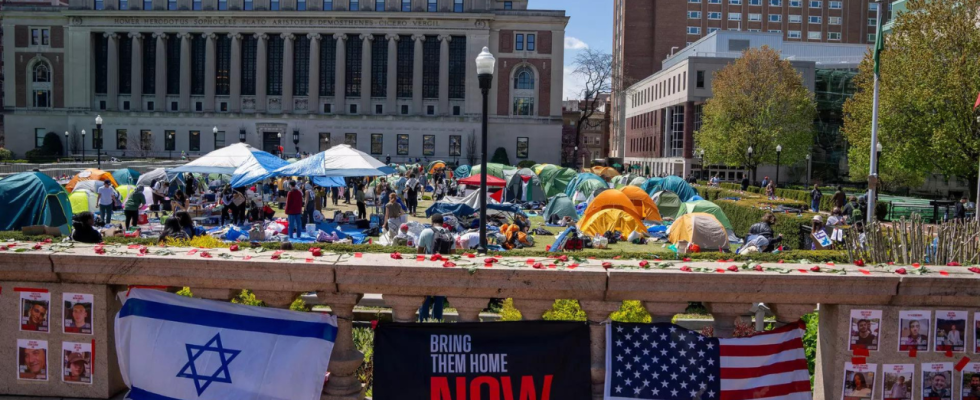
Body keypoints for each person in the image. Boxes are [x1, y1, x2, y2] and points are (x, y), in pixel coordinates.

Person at [417, 213, 453, 322]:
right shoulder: (448, 233)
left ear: (432, 222)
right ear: (442, 223)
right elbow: (453, 254)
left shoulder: (426, 232)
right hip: (443, 270)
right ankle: (437, 321)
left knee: (425, 296)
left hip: (428, 269)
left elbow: (419, 253)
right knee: (439, 297)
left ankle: (423, 320)